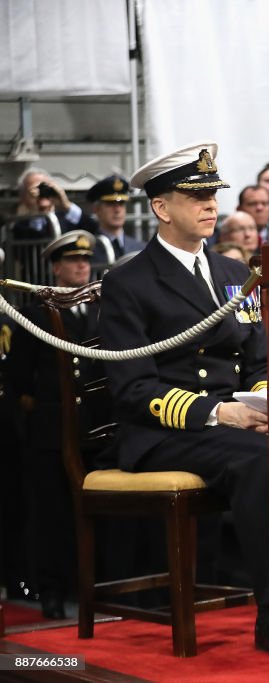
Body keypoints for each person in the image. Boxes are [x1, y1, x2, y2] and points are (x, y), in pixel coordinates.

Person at [100, 141, 269, 656]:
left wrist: (258, 408)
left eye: (213, 194)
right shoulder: (128, 281)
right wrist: (218, 412)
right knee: (263, 463)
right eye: (195, 196)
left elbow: (260, 360)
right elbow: (133, 388)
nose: (211, 204)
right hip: (168, 431)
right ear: (162, 208)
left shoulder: (237, 274)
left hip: (237, 423)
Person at [7, 231, 107, 620]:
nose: (82, 266)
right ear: (56, 267)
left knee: (96, 511)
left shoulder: (102, 312)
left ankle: (94, 587)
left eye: (85, 260)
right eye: (73, 260)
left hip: (96, 429)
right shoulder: (36, 314)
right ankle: (51, 589)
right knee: (52, 514)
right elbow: (18, 378)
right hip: (52, 430)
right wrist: (34, 418)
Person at [85, 175, 145, 265]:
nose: (117, 210)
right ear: (96, 209)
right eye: (110, 204)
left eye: (121, 203)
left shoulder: (141, 248)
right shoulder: (88, 249)